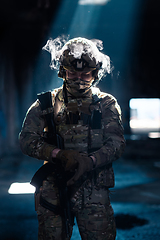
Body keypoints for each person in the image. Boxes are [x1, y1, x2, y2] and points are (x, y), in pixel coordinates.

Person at [19, 37, 125, 240]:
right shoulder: (45, 103)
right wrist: (58, 153)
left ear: (95, 74)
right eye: (72, 72)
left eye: (85, 74)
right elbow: (26, 139)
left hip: (94, 190)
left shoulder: (106, 104)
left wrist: (90, 161)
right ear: (62, 72)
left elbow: (117, 143)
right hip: (54, 188)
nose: (78, 79)